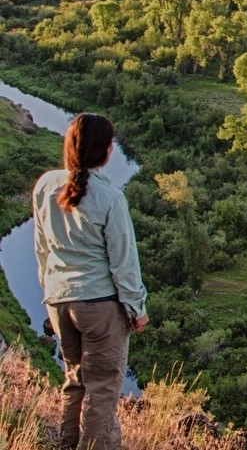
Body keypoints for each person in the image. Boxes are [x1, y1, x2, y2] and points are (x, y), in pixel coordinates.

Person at [33, 113, 148, 450]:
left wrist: (50, 291)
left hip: (58, 300)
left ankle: (66, 444)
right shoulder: (110, 198)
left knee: (75, 382)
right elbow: (124, 263)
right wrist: (136, 307)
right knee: (101, 392)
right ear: (107, 151)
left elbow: (42, 248)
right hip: (99, 306)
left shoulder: (45, 185)